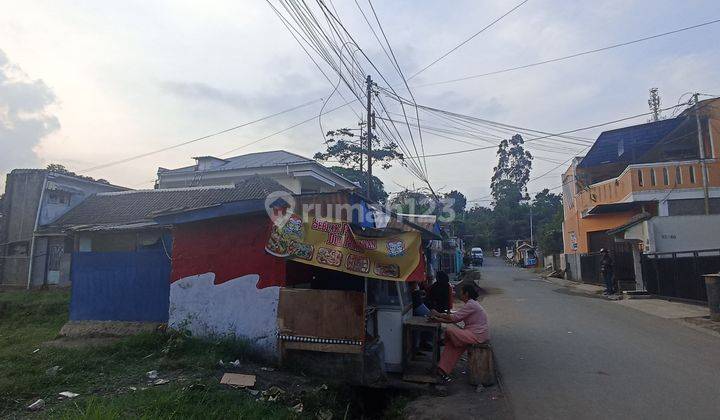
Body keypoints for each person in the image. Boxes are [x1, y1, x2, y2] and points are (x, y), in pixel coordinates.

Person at [430, 284, 489, 381]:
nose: (459, 294)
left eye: (461, 293)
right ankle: (442, 370)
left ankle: (443, 341)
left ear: (466, 294)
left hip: (477, 335)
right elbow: (455, 319)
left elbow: (454, 318)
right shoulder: (471, 304)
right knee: (453, 344)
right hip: (472, 333)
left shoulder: (471, 304)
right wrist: (438, 319)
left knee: (449, 331)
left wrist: (438, 315)